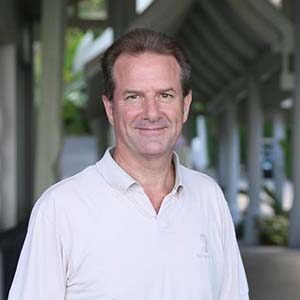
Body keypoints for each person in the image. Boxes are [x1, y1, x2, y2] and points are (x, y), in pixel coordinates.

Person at [8, 28, 249, 300]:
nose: (152, 113)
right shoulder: (61, 208)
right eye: (133, 96)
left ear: (185, 105)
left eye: (165, 95)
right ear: (110, 108)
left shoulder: (209, 197)